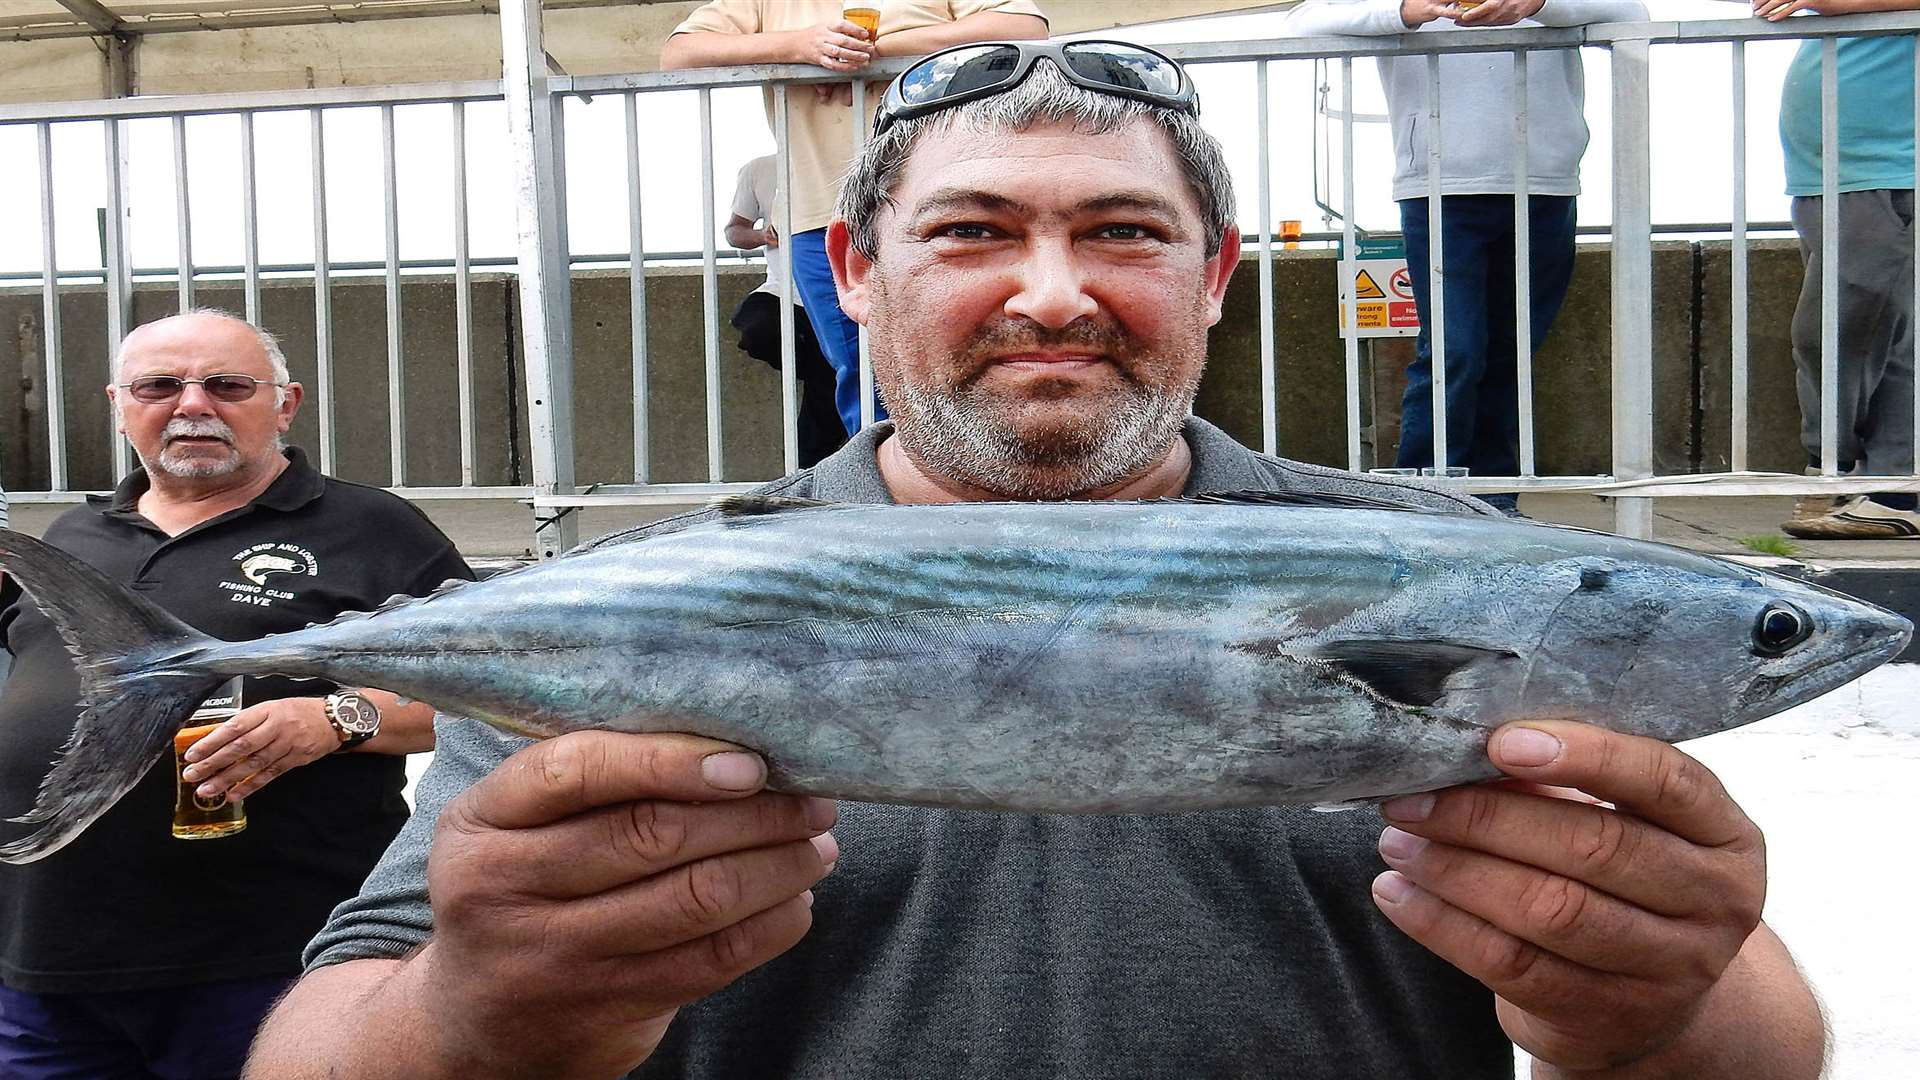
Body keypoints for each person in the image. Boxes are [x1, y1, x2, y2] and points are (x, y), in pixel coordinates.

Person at [249, 43, 1824, 1080]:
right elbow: (317, 1047)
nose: (1054, 295)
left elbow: (1770, 1041)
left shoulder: (1471, 572)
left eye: (1127, 233)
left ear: (1214, 277)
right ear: (856, 276)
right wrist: (475, 1012)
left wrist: (1667, 1001)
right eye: (973, 231)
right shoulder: (634, 609)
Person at [0, 310, 474, 1079]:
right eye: (159, 385)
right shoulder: (71, 537)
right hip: (45, 962)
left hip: (269, 962)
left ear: (284, 405)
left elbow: (487, 695)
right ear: (119, 404)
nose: (192, 405)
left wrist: (335, 717)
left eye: (227, 385)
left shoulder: (372, 530)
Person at [1286, 0, 1647, 515]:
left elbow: (1631, 12)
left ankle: (1495, 502)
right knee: (1455, 351)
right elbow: (1302, 21)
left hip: (1545, 183)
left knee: (1511, 354)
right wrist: (1405, 11)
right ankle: (1423, 505)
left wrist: (1539, 3)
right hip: (1437, 185)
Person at [661, 0, 1049, 440]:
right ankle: (890, 494)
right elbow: (680, 52)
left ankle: (983, 483)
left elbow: (1025, 25)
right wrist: (800, 47)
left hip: (954, 210)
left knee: (973, 351)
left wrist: (877, 49)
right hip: (820, 212)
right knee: (861, 364)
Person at [1758, 0, 1920, 538]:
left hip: (1884, 168)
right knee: (1883, 336)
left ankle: (1845, 471)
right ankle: (1887, 489)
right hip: (1827, 173)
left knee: (1834, 331)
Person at [727, 154, 851, 468]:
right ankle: (833, 373)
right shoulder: (759, 169)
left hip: (837, 294)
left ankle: (803, 470)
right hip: (782, 290)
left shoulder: (843, 160)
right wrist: (762, 236)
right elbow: (734, 231)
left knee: (828, 381)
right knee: (756, 328)